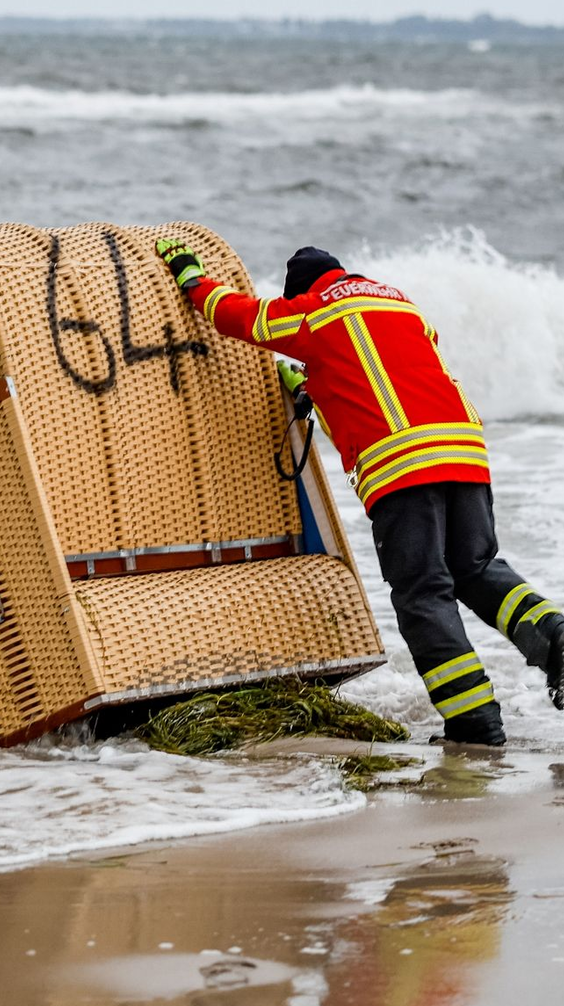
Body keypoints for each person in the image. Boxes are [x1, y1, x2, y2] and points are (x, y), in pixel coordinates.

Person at [157, 237, 564, 746]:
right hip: (465, 450)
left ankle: (474, 723)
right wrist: (315, 384)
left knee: (422, 592)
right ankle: (557, 641)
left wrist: (189, 273)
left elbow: (235, 316)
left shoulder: (314, 311)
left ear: (303, 290)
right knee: (477, 570)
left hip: (404, 465)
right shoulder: (398, 303)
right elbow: (386, 373)